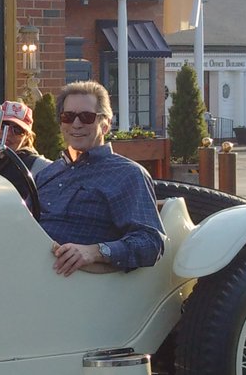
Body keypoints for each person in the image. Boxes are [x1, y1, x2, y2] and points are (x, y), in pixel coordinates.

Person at [34, 81, 165, 276]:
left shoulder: (127, 174)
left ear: (105, 125)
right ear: (61, 123)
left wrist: (95, 251)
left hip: (74, 283)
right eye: (68, 117)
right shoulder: (48, 173)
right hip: (28, 269)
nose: (76, 124)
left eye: (87, 117)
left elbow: (151, 242)